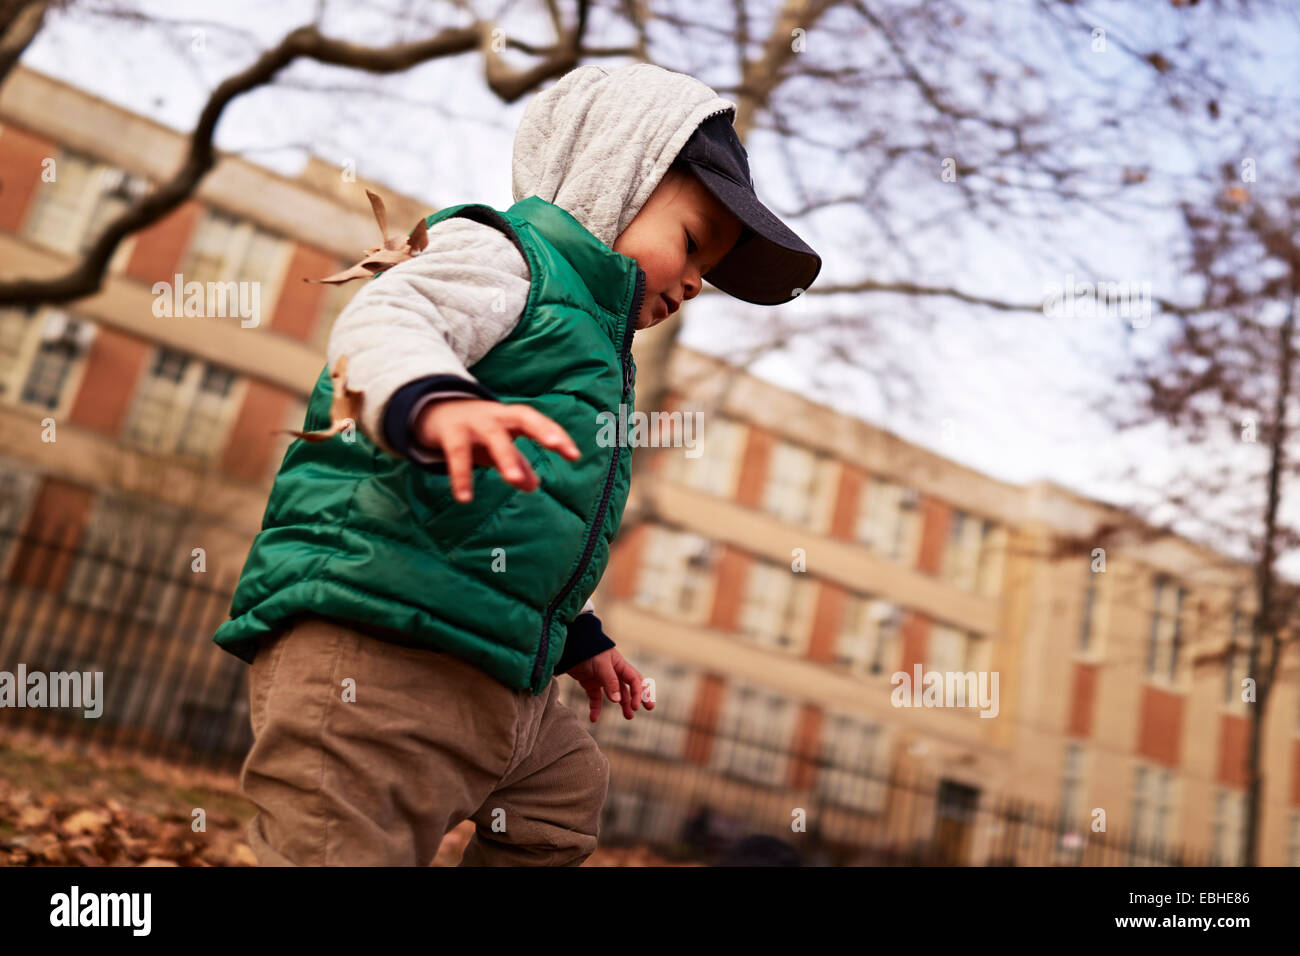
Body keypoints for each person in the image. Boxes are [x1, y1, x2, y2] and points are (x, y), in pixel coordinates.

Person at [211, 62, 822, 866]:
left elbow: (529, 525)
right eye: (693, 243)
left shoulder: (594, 349)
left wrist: (576, 634)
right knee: (340, 841)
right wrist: (432, 401)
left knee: (564, 796)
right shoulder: (507, 255)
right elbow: (389, 317)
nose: (699, 283)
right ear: (615, 178)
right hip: (376, 638)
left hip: (499, 670)